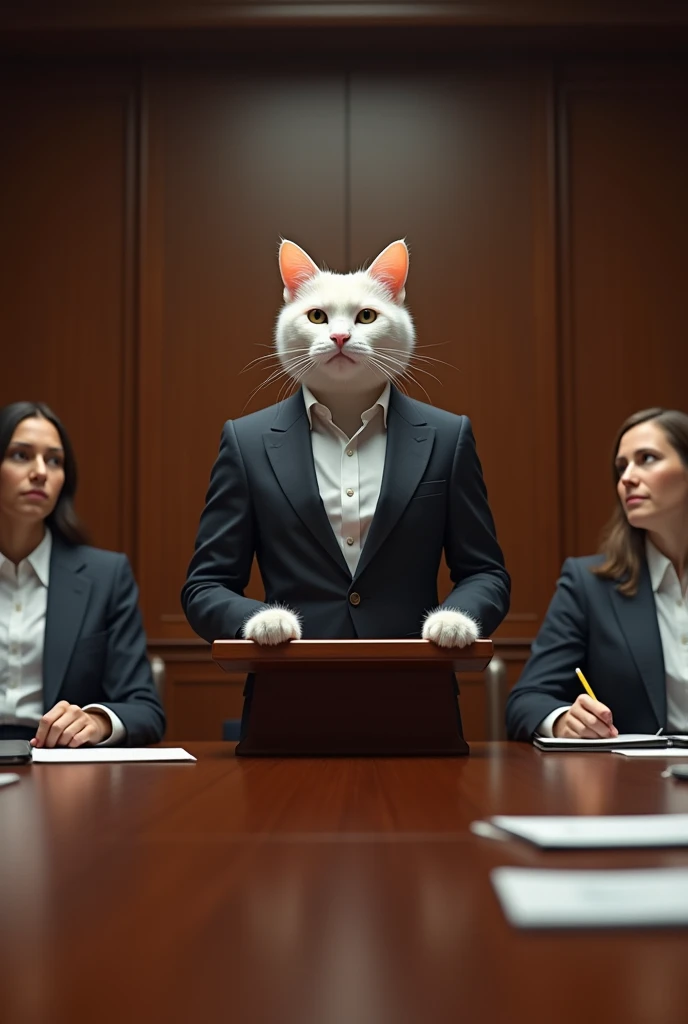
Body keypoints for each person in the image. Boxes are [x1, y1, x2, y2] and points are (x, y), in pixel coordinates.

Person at [182, 240, 509, 735]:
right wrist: (255, 621)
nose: (339, 334)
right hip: (286, 710)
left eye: (364, 317)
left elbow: (486, 573)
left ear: (398, 307)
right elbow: (205, 587)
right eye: (316, 316)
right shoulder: (246, 442)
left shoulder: (448, 436)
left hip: (418, 709)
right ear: (289, 311)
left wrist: (458, 616)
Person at [506, 407, 688, 742]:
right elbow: (526, 700)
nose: (627, 478)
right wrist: (564, 722)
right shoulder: (588, 584)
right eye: (621, 467)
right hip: (636, 783)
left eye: (647, 458)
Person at [0, 401, 165, 747]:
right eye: (20, 455)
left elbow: (145, 709)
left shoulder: (106, 577)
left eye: (55, 460)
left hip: (59, 767)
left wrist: (96, 720)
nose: (41, 472)